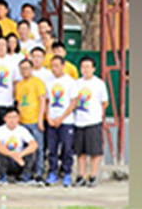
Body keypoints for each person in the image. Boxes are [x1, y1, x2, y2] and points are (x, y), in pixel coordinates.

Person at [42, 55, 79, 187]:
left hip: (66, 121)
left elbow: (73, 102)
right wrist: (48, 117)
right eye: (52, 66)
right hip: (51, 119)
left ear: (63, 65)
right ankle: (52, 172)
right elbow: (46, 101)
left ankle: (66, 172)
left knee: (67, 148)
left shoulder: (70, 82)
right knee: (52, 148)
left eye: (57, 66)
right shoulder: (48, 81)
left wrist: (61, 118)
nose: (54, 69)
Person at [72, 57, 109, 188]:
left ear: (93, 69)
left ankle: (93, 176)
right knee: (80, 152)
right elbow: (73, 102)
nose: (85, 69)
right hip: (79, 122)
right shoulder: (76, 83)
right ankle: (80, 176)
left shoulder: (99, 84)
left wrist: (96, 113)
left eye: (88, 67)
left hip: (93, 121)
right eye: (83, 67)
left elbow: (104, 102)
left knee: (94, 152)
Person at [15, 58, 49, 184]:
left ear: (32, 69)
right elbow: (18, 102)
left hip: (34, 120)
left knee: (38, 148)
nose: (25, 71)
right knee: (25, 149)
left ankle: (39, 173)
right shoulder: (19, 84)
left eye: (27, 68)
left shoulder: (38, 82)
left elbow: (42, 101)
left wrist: (40, 118)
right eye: (22, 68)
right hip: (23, 121)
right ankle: (26, 174)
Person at [0, 108, 38, 184]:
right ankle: (3, 177)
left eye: (14, 117)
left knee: (32, 153)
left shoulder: (22, 130)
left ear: (18, 118)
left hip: (19, 160)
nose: (12, 120)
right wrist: (14, 155)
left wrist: (20, 155)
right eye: (9, 117)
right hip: (7, 160)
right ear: (5, 119)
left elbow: (34, 144)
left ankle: (24, 176)